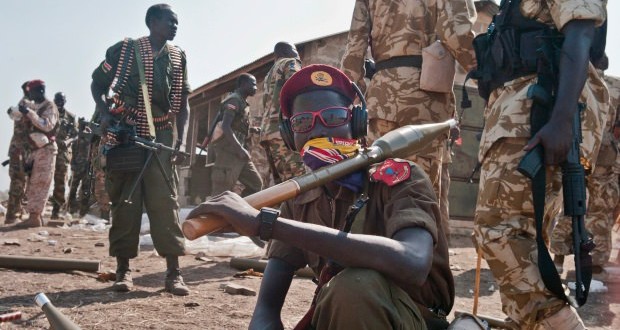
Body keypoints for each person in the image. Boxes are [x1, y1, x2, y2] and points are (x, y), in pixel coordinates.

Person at [188, 65, 453, 329]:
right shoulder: (299, 197)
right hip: (345, 316)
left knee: (354, 286)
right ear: (291, 137)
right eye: (303, 122)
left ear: (356, 123)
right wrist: (265, 322)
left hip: (415, 319)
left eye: (334, 117)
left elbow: (413, 262)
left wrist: (267, 224)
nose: (318, 131)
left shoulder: (399, 179)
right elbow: (267, 307)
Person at [472, 0, 607, 328]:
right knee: (528, 245)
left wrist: (561, 119)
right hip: (519, 112)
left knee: (498, 230)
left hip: (540, 110)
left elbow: (581, 31)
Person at [340, 0, 477, 234]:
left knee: (379, 185)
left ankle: (378, 260)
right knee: (420, 190)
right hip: (425, 99)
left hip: (381, 99)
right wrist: (486, 76)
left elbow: (354, 47)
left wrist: (345, 97)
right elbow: (456, 33)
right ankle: (422, 262)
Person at [90, 3, 190, 295]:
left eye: (177, 22)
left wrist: (181, 141)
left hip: (161, 136)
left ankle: (173, 274)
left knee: (165, 202)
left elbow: (182, 103)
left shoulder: (177, 55)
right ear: (152, 22)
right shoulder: (123, 50)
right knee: (126, 201)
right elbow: (97, 84)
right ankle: (123, 271)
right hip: (127, 136)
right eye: (170, 21)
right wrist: (105, 114)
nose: (175, 26)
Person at [551, 56, 620, 278]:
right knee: (600, 206)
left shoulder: (572, 79)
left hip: (574, 148)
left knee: (568, 198)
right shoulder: (614, 88)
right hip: (603, 155)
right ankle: (595, 261)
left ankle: (559, 255)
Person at [14, 80, 59, 228]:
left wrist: (31, 114)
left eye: (31, 92)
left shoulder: (49, 106)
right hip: (35, 149)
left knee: (41, 181)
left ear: (39, 91)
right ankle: (35, 216)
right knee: (33, 183)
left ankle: (34, 217)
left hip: (46, 149)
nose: (30, 95)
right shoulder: (36, 105)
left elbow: (47, 125)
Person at [259, 42, 305, 184]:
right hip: (284, 132)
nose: (298, 55)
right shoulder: (290, 62)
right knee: (299, 180)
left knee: (282, 184)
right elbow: (297, 85)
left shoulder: (268, 75)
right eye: (296, 51)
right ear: (287, 52)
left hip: (268, 132)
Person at [210, 73, 263, 197]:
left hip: (240, 154)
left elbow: (237, 127)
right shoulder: (234, 100)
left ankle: (241, 211)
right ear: (243, 84)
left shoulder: (243, 103)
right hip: (229, 152)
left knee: (256, 185)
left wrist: (253, 130)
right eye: (253, 84)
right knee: (221, 193)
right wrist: (240, 149)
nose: (255, 87)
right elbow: (226, 126)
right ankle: (214, 215)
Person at [4, 82, 32, 224]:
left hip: (22, 149)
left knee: (22, 182)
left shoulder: (24, 104)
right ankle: (12, 215)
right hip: (19, 149)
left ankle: (17, 212)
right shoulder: (25, 104)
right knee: (18, 182)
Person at [50, 92, 77, 220]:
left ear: (65, 101)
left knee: (60, 181)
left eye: (62, 100)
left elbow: (76, 134)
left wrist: (68, 141)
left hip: (63, 153)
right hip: (47, 151)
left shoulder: (70, 117)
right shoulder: (48, 113)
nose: (60, 102)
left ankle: (56, 210)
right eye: (58, 100)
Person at [67, 118, 92, 216]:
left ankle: (83, 210)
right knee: (73, 189)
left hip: (87, 168)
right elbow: (73, 154)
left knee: (86, 190)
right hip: (77, 167)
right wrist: (73, 164)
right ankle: (71, 208)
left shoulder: (90, 139)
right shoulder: (77, 140)